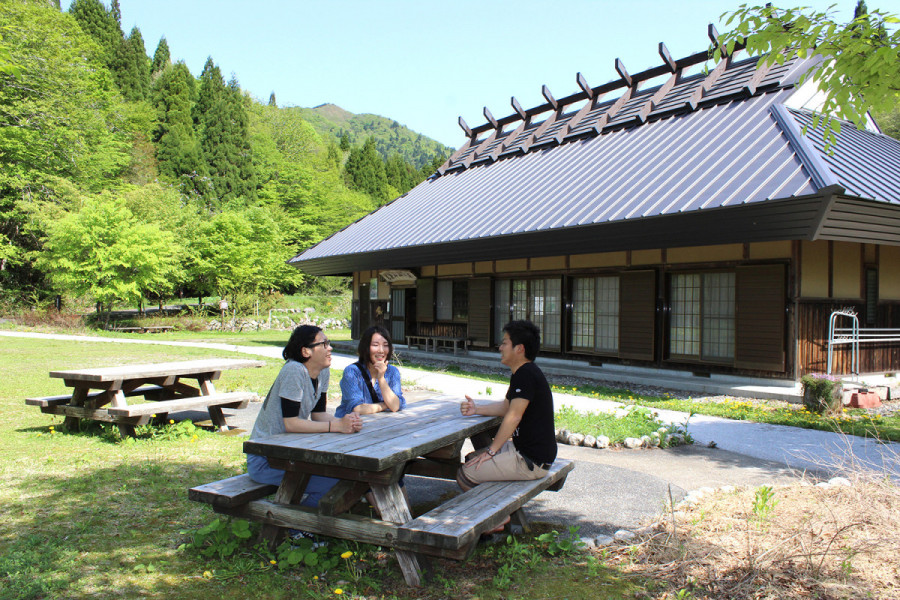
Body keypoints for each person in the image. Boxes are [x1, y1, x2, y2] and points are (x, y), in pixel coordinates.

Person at [246, 325, 362, 507]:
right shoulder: (294, 370)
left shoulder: (323, 371)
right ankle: (296, 530)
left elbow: (319, 415)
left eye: (328, 343)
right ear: (306, 351)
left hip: (290, 454)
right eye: (324, 344)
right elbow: (291, 424)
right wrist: (336, 426)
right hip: (266, 459)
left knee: (345, 474)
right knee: (336, 483)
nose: (330, 348)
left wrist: (345, 422)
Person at [457, 320, 557, 492]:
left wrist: (492, 451)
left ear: (519, 349)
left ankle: (497, 517)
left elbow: (513, 416)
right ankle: (493, 507)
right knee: (472, 458)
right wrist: (477, 409)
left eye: (504, 343)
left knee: (465, 475)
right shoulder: (525, 372)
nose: (500, 348)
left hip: (530, 460)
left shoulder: (525, 375)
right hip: (529, 453)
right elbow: (506, 408)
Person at [336, 325, 406, 417]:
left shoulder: (392, 372)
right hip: (351, 426)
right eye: (375, 345)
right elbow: (357, 408)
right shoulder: (352, 372)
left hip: (377, 426)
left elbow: (395, 406)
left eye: (385, 345)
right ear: (366, 347)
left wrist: (381, 378)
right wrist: (385, 405)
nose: (381, 350)